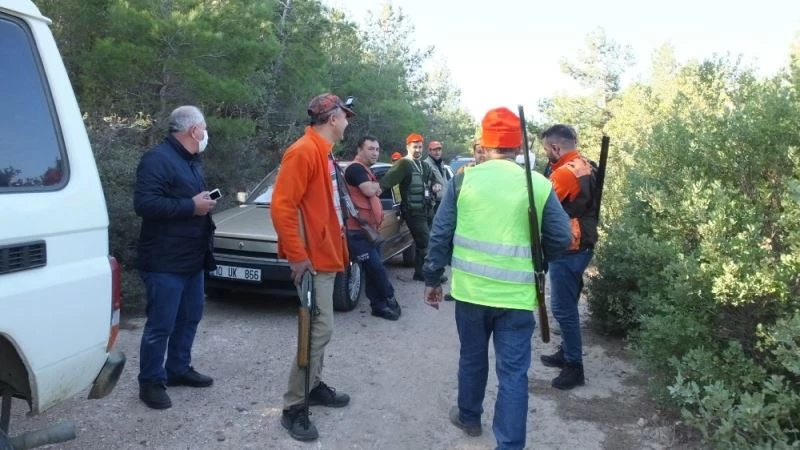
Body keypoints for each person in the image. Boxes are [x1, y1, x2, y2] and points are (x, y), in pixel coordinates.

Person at [422, 107, 572, 450]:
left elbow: (440, 234)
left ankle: (469, 417)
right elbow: (562, 238)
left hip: (471, 294)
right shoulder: (536, 183)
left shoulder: (464, 179)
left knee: (472, 358)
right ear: (518, 147)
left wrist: (433, 279)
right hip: (518, 298)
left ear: (485, 144)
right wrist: (540, 259)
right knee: (514, 374)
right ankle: (509, 445)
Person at [271, 93, 354, 441]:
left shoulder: (324, 153)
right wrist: (297, 255)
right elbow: (282, 208)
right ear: (333, 119)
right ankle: (294, 407)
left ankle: (314, 385)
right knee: (316, 331)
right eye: (345, 116)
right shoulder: (303, 151)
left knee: (321, 329)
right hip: (312, 262)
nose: (348, 122)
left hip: (326, 256)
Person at [134, 105, 217, 410]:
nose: (206, 133)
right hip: (164, 261)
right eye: (204, 127)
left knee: (190, 317)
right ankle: (151, 382)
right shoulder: (157, 159)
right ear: (194, 130)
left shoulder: (191, 160)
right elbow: (144, 204)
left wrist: (202, 204)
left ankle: (178, 369)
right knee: (160, 325)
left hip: (192, 259)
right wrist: (190, 206)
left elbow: (189, 200)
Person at [538, 124, 599, 390]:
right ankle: (567, 352)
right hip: (581, 242)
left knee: (563, 308)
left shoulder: (563, 174)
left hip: (568, 247)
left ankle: (574, 366)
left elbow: (541, 205)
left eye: (545, 150)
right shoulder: (584, 164)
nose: (545, 155)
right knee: (568, 304)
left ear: (555, 147)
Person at [344, 135, 401, 321]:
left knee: (374, 269)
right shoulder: (355, 169)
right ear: (359, 150)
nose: (375, 153)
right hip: (358, 232)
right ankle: (389, 297)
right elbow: (369, 191)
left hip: (371, 231)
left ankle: (378, 307)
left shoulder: (367, 171)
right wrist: (376, 187)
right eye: (371, 149)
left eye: (377, 149)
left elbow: (372, 189)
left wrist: (374, 186)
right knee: (376, 268)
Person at [379, 133, 442, 281]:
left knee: (424, 244)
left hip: (427, 209)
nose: (418, 150)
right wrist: (375, 191)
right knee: (427, 243)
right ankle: (432, 275)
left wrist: (435, 185)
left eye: (420, 147)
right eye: (415, 147)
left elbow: (432, 181)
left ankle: (420, 273)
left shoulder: (424, 165)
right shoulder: (403, 164)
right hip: (413, 212)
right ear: (408, 147)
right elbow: (387, 181)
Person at [424, 140, 452, 219]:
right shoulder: (425, 164)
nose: (437, 152)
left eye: (439, 150)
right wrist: (431, 189)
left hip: (444, 201)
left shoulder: (441, 163)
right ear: (429, 151)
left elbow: (444, 182)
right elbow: (424, 185)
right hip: (434, 204)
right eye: (434, 150)